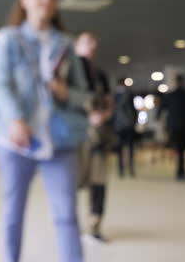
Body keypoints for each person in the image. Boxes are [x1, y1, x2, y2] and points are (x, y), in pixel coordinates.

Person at [0, 0, 89, 261]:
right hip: (16, 143)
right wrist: (14, 118)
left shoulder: (66, 44)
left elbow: (84, 95)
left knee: (67, 216)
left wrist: (67, 93)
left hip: (60, 141)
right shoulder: (9, 39)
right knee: (13, 213)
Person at [75, 31, 114, 243]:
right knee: (71, 182)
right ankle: (70, 226)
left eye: (93, 43)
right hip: (76, 137)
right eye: (86, 42)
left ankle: (94, 225)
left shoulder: (100, 75)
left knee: (99, 181)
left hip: (98, 137)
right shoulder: (70, 72)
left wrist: (104, 115)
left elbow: (109, 102)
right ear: (76, 45)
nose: (91, 46)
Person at [157, 75, 185, 181]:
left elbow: (161, 108)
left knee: (179, 149)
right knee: (181, 150)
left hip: (175, 126)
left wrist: (157, 117)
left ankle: (180, 170)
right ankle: (181, 171)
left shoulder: (171, 95)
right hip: (184, 126)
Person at [113, 78, 138, 178]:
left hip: (118, 125)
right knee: (130, 147)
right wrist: (134, 121)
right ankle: (130, 167)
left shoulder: (114, 95)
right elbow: (133, 110)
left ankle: (121, 169)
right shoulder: (129, 94)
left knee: (120, 148)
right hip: (128, 124)